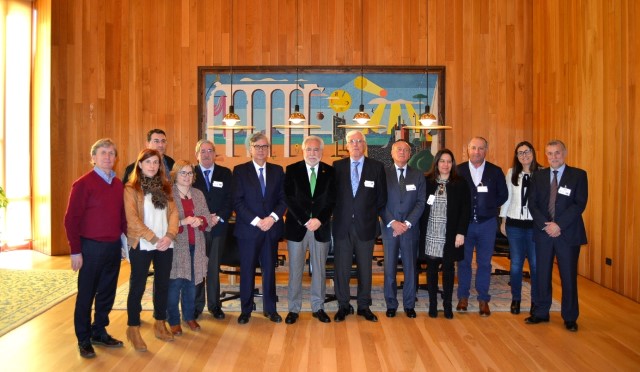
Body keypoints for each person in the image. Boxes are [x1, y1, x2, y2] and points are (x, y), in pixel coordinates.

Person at [64, 138, 127, 358]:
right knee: (86, 295)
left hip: (112, 247)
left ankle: (98, 331)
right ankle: (83, 339)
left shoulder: (118, 184)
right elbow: (70, 220)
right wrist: (75, 250)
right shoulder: (83, 184)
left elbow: (121, 217)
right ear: (93, 158)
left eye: (111, 153)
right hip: (90, 248)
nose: (108, 157)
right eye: (103, 153)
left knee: (107, 293)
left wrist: (127, 243)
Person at [525, 140, 588, 332]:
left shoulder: (578, 175)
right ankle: (541, 312)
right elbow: (532, 204)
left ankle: (570, 317)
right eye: (550, 153)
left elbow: (579, 204)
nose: (554, 157)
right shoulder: (538, 176)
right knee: (542, 274)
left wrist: (558, 225)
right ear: (546, 155)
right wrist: (547, 225)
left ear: (565, 153)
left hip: (567, 234)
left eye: (557, 153)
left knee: (568, 277)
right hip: (544, 233)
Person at [123, 148, 179, 351]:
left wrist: (170, 236)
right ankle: (133, 327)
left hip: (165, 243)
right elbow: (132, 220)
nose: (153, 166)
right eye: (148, 162)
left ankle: (159, 322)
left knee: (162, 284)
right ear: (140, 164)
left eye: (156, 162)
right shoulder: (131, 189)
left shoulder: (165, 187)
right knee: (137, 285)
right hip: (143, 243)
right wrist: (155, 238)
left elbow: (174, 214)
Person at [332, 130, 387, 322]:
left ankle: (364, 306)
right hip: (342, 226)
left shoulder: (377, 167)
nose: (355, 144)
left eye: (359, 141)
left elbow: (381, 198)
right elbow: (332, 198)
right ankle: (343, 305)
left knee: (365, 269)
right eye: (352, 141)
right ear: (347, 145)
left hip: (366, 226)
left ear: (364, 145)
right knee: (342, 269)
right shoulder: (337, 166)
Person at [232, 133, 286, 324]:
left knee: (269, 271)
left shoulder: (278, 170)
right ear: (250, 149)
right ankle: (245, 310)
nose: (261, 149)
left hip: (271, 229)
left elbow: (283, 199)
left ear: (268, 149)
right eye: (257, 146)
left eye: (264, 146)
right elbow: (237, 202)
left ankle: (270, 310)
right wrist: (257, 221)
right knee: (247, 271)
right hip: (249, 230)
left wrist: (272, 218)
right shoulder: (239, 171)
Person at [283, 136, 336, 324]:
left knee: (319, 270)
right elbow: (288, 198)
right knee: (295, 270)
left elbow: (332, 200)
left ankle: (318, 306)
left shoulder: (330, 171)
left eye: (316, 150)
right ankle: (293, 308)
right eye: (309, 150)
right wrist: (306, 220)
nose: (312, 153)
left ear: (322, 152)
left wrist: (319, 220)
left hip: (320, 228)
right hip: (297, 227)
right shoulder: (291, 170)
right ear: (303, 151)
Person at [456, 137, 508, 316]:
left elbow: (503, 195)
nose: (476, 152)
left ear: (486, 150)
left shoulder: (495, 171)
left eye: (480, 148)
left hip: (487, 224)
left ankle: (483, 299)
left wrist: (489, 206)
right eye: (473, 148)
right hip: (465, 225)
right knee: (463, 262)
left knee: (484, 263)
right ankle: (463, 296)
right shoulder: (459, 170)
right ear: (467, 150)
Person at [419, 149, 471, 319]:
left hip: (450, 234)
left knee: (448, 270)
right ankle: (433, 305)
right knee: (432, 270)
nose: (445, 165)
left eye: (449, 161)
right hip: (431, 232)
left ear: (453, 164)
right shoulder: (427, 182)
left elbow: (466, 210)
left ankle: (447, 305)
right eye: (442, 161)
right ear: (436, 163)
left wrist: (461, 233)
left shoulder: (460, 183)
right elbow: (421, 206)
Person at [380, 140, 425, 319]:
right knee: (389, 268)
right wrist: (393, 222)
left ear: (410, 154)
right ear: (392, 152)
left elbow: (421, 203)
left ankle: (409, 304)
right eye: (399, 149)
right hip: (390, 229)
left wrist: (406, 224)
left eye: (406, 150)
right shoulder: (383, 174)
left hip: (410, 230)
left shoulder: (418, 175)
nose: (402, 152)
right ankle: (391, 303)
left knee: (410, 268)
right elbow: (379, 201)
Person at [167, 160, 211, 335]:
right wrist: (183, 222)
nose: (187, 176)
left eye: (190, 173)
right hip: (177, 247)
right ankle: (173, 320)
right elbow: (163, 222)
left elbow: (207, 217)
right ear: (175, 175)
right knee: (175, 285)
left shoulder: (198, 194)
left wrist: (200, 220)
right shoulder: (168, 194)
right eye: (183, 173)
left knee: (192, 285)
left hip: (197, 245)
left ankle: (189, 316)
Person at [192, 140, 233, 320]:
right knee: (198, 268)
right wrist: (203, 219)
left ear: (215, 153)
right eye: (203, 151)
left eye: (210, 150)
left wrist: (218, 217)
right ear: (197, 155)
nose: (207, 154)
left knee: (213, 268)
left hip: (218, 227)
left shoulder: (225, 173)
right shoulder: (189, 173)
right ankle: (196, 305)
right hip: (197, 229)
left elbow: (229, 199)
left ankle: (215, 305)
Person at [499, 141, 540, 315]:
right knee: (516, 264)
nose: (524, 155)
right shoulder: (512, 173)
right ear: (516, 156)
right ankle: (516, 299)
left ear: (533, 153)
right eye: (520, 153)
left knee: (536, 265)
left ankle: (536, 301)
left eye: (527, 151)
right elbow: (507, 199)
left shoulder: (543, 173)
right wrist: (503, 220)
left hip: (534, 226)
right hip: (515, 224)